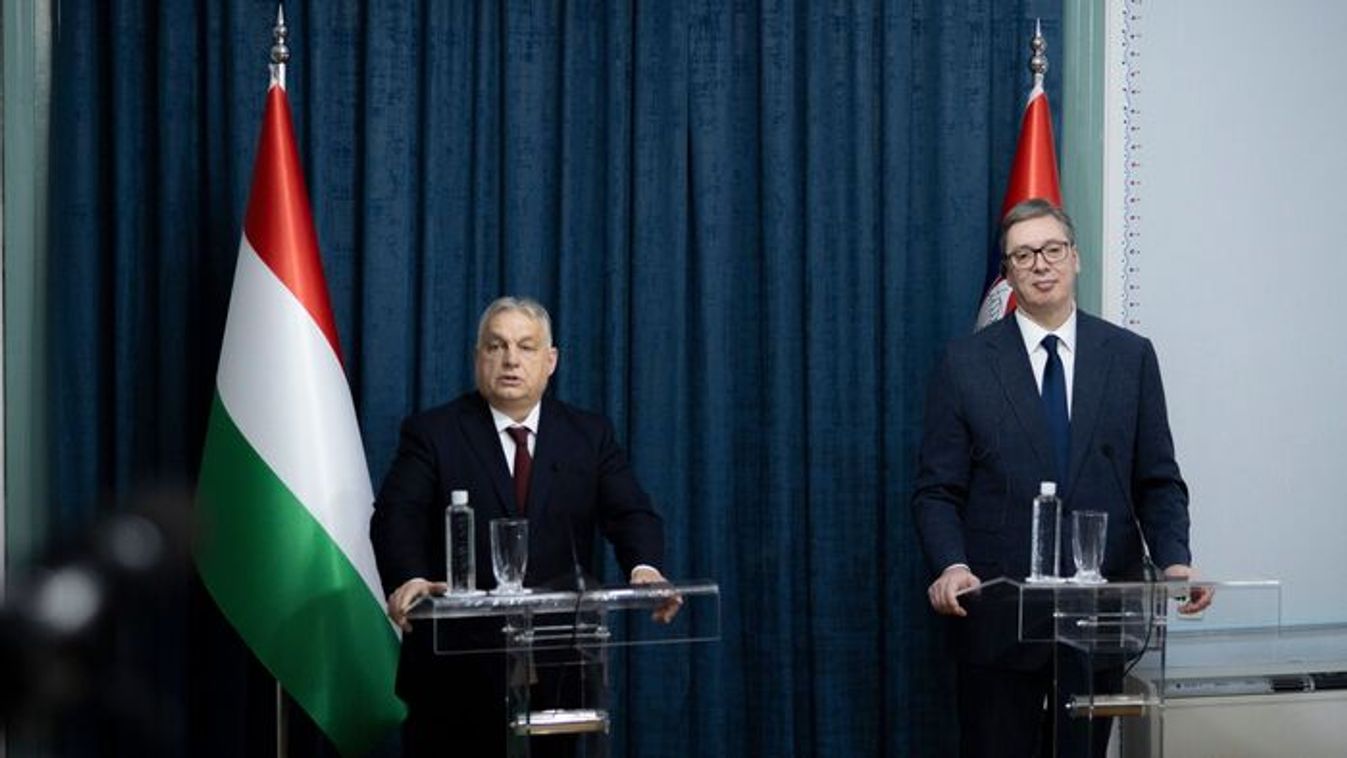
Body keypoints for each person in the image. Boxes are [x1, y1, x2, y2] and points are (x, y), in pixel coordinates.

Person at [911, 199, 1212, 758]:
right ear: (1008, 272)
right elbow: (937, 491)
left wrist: (1175, 561)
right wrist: (951, 565)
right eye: (1024, 255)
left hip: (1098, 621)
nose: (1040, 264)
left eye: (1052, 249)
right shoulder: (965, 364)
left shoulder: (1130, 357)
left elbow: (1158, 480)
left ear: (1075, 258)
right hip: (998, 620)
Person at [371, 296, 677, 757]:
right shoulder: (433, 432)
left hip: (557, 672)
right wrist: (409, 576)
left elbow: (631, 512)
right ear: (478, 358)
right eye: (496, 346)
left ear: (550, 361)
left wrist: (645, 568)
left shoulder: (588, 435)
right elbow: (397, 514)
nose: (511, 359)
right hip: (455, 674)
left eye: (526, 347)